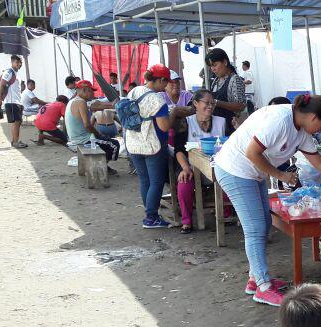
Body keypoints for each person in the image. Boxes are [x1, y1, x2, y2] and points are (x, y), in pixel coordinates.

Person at [214, 95, 321, 306]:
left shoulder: (302, 129)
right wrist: (280, 176)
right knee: (255, 227)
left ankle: (255, 279)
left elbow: (318, 161)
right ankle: (262, 287)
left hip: (253, 173)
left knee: (264, 222)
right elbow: (252, 152)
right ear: (314, 117)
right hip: (235, 170)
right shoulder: (280, 121)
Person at [125, 65, 174, 229]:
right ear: (161, 80)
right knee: (156, 182)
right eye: (166, 82)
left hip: (133, 143)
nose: (166, 86)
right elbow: (164, 126)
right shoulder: (157, 100)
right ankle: (151, 217)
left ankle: (150, 214)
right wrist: (175, 114)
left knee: (144, 180)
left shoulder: (134, 91)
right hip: (152, 145)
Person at [173, 90, 227, 233]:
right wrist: (185, 168)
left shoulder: (221, 122)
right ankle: (187, 221)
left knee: (230, 179)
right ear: (196, 103)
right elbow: (178, 150)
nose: (210, 106)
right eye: (206, 103)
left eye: (212, 103)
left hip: (217, 167)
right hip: (191, 166)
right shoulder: (186, 122)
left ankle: (226, 213)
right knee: (184, 182)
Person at [65, 80, 120, 164]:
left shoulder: (72, 101)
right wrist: (97, 134)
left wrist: (110, 105)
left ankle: (102, 164)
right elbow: (87, 125)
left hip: (75, 138)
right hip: (83, 139)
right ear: (84, 90)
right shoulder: (81, 102)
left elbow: (95, 105)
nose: (93, 94)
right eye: (91, 91)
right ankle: (104, 165)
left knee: (106, 140)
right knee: (115, 144)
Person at [205, 48, 246, 135]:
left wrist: (217, 103)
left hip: (230, 129)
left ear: (225, 62)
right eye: (211, 66)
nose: (212, 69)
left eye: (215, 65)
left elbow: (241, 106)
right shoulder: (216, 80)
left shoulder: (235, 80)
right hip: (217, 128)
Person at [0, 55, 26, 149]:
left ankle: (14, 141)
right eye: (17, 62)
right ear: (12, 62)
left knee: (17, 122)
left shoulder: (15, 73)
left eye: (20, 62)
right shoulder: (9, 72)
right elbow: (1, 85)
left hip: (16, 101)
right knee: (16, 122)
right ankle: (15, 142)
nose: (19, 64)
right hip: (12, 101)